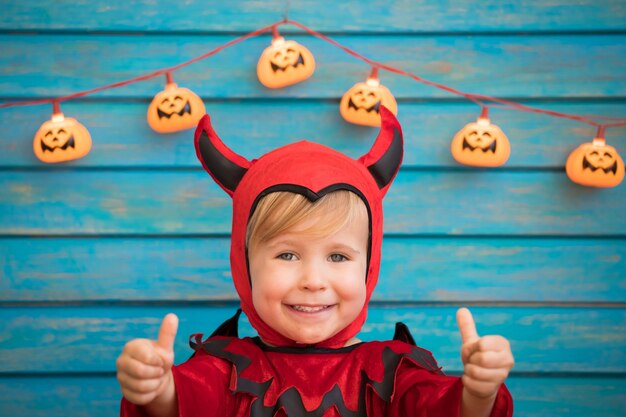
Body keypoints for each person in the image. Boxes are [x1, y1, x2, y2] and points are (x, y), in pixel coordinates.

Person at [116, 107, 514, 417]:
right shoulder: (225, 370)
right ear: (244, 264)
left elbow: (442, 409)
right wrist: (157, 389)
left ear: (369, 267)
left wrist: (479, 393)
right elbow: (186, 403)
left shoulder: (392, 373)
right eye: (287, 254)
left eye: (338, 256)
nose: (313, 280)